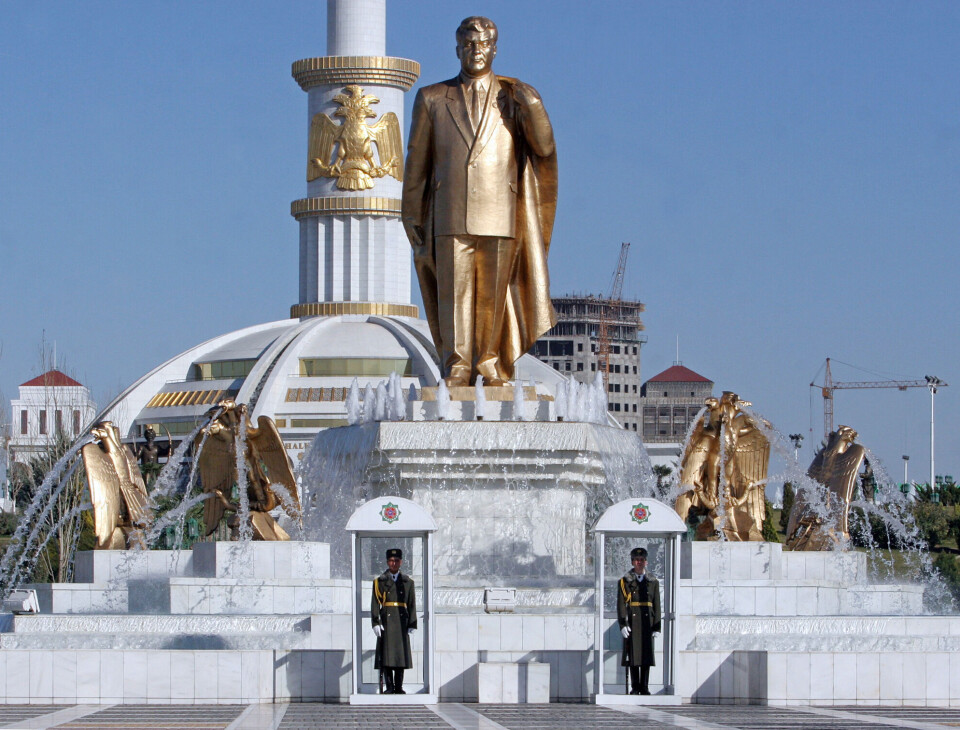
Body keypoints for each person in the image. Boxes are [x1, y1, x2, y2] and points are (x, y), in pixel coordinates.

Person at [402, 15, 558, 387]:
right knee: (453, 295)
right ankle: (457, 365)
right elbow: (417, 160)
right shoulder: (432, 98)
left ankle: (489, 363)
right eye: (469, 44)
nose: (476, 51)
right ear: (457, 49)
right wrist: (411, 213)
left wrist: (534, 106)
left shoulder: (514, 98)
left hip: (500, 213)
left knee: (493, 296)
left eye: (483, 44)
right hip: (450, 213)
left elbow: (544, 148)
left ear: (494, 49)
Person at [371, 548, 417, 694]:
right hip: (387, 620)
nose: (394, 563)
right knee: (387, 656)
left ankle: (398, 687)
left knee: (399, 656)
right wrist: (375, 622)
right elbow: (375, 603)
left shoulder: (407, 582)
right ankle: (389, 686)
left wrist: (412, 623)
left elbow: (412, 604)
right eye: (391, 560)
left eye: (396, 560)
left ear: (401, 562)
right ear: (387, 562)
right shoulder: (379, 581)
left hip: (401, 621)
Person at [617, 547, 661, 695]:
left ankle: (645, 686)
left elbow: (657, 604)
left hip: (647, 621)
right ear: (632, 562)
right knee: (634, 655)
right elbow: (621, 604)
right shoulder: (625, 581)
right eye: (636, 560)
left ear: (646, 562)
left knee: (646, 655)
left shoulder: (653, 582)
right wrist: (623, 624)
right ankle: (635, 687)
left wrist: (657, 627)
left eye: (642, 560)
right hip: (633, 621)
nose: (639, 562)